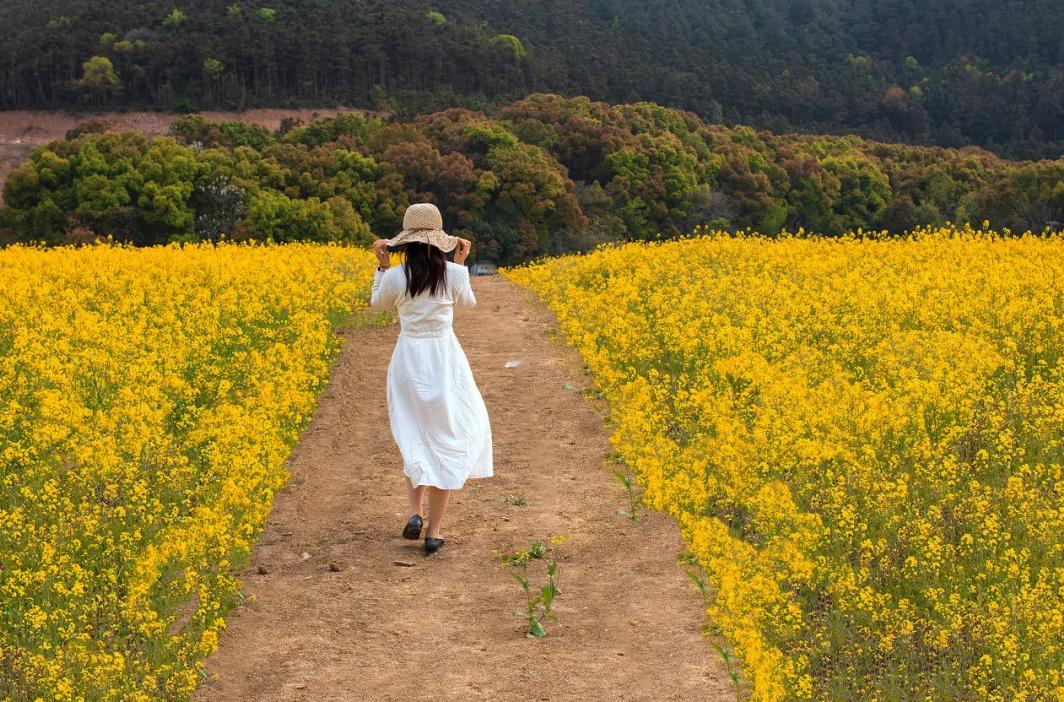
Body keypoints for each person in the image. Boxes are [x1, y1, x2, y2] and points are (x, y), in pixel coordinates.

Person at [369, 203, 494, 555]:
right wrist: (460, 263)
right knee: (447, 436)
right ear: (440, 240)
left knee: (414, 434)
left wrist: (382, 266)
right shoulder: (452, 274)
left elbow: (377, 305)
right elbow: (467, 304)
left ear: (405, 242)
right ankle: (435, 531)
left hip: (408, 359)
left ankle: (413, 512)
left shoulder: (396, 275)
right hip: (443, 360)